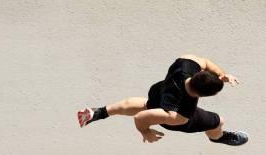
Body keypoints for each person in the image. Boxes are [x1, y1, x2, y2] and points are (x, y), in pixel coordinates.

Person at [78, 54, 248, 146]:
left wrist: (220, 75)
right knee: (218, 121)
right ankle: (217, 137)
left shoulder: (185, 64)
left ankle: (98, 112)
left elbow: (204, 61)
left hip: (160, 92)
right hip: (174, 117)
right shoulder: (180, 114)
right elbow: (140, 118)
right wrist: (146, 132)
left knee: (146, 105)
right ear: (201, 96)